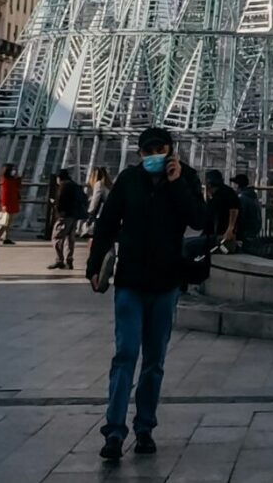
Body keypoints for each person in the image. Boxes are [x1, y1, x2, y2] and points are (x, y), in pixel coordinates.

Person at [85, 126, 210, 462]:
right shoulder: (129, 180)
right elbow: (107, 224)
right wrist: (95, 266)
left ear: (171, 151)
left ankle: (144, 428)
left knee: (154, 362)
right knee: (125, 354)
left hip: (166, 283)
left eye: (161, 149)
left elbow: (199, 219)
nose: (154, 155)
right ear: (140, 154)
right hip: (130, 281)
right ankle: (113, 431)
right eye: (148, 151)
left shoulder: (187, 179)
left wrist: (178, 183)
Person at [50, 170, 90, 271]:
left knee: (57, 237)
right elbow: (85, 198)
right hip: (74, 216)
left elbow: (60, 201)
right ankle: (69, 260)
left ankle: (59, 260)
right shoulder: (75, 185)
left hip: (65, 216)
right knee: (70, 239)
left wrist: (56, 206)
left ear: (59, 178)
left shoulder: (64, 186)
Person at [202, 168, 240, 253]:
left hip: (221, 235)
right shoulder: (217, 195)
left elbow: (234, 209)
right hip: (215, 234)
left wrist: (230, 228)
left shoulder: (226, 193)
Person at [232, 173, 263, 244]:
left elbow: (241, 217)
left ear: (238, 186)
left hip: (245, 232)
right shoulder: (252, 196)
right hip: (254, 230)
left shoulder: (242, 198)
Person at [0, 164, 23, 242]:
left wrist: (18, 178)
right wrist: (4, 205)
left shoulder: (12, 180)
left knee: (8, 222)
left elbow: (18, 186)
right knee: (5, 222)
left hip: (12, 202)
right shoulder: (5, 180)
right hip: (8, 204)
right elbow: (4, 194)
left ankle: (6, 237)